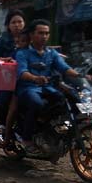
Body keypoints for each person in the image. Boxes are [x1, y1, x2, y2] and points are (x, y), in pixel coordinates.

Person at [16, 19, 82, 154]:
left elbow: (64, 68)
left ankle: (55, 129)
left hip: (48, 88)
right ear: (32, 35)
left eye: (46, 33)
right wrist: (35, 78)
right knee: (36, 103)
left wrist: (80, 75)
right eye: (41, 33)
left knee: (66, 99)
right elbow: (22, 72)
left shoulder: (52, 53)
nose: (44, 36)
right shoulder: (22, 53)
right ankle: (27, 139)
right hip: (28, 88)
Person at [0, 10, 25, 128]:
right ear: (8, 25)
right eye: (13, 22)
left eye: (20, 22)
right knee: (4, 98)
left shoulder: (29, 39)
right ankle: (3, 124)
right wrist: (1, 62)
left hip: (25, 75)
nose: (17, 25)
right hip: (7, 77)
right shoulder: (2, 41)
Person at [1, 29, 30, 147]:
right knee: (13, 109)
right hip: (20, 87)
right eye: (21, 41)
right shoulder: (18, 53)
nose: (23, 43)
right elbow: (9, 62)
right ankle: (7, 139)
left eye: (26, 40)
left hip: (39, 86)